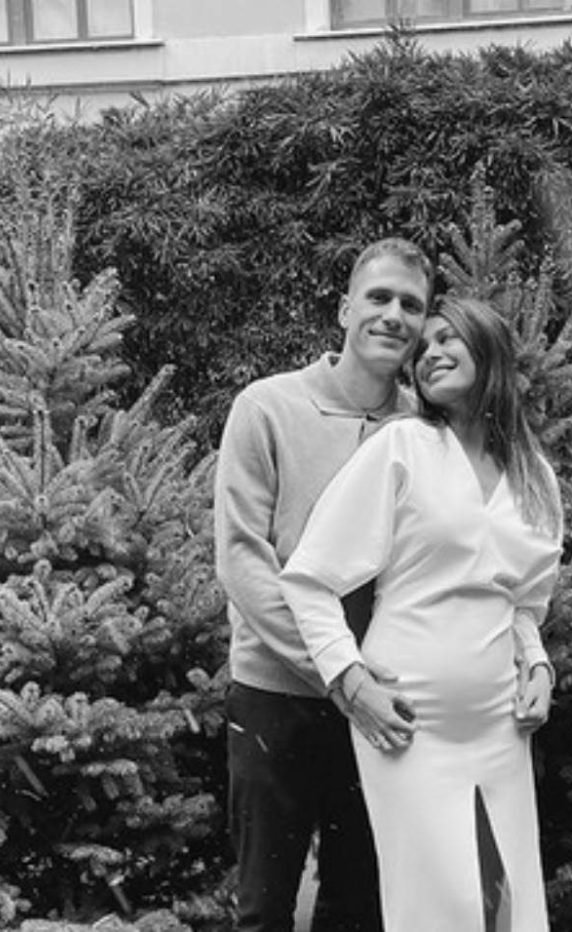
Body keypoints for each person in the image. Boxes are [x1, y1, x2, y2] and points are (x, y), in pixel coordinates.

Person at [281, 296, 564, 932]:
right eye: (425, 345)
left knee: (508, 904)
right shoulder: (404, 447)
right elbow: (308, 579)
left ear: (488, 349)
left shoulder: (535, 478)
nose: (430, 352)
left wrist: (539, 667)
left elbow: (524, 605)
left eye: (448, 338)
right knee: (440, 909)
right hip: (408, 725)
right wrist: (350, 681)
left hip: (501, 725)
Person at [214, 237, 434, 932]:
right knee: (264, 910)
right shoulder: (267, 407)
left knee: (359, 909)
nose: (393, 315)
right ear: (344, 309)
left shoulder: (425, 430)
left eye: (411, 305)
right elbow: (243, 560)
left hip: (384, 702)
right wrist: (343, 676)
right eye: (379, 297)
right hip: (275, 693)